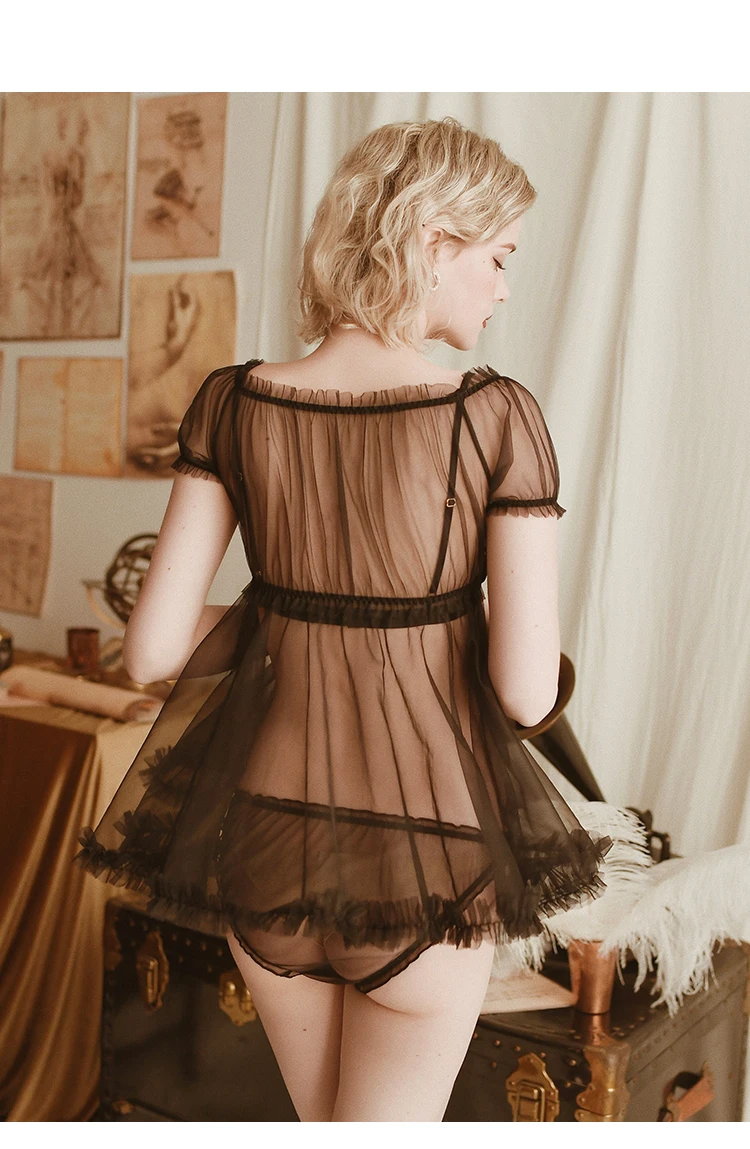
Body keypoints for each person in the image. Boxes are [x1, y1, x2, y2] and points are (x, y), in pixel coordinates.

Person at [75, 117, 612, 1122]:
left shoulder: (232, 403)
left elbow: (149, 653)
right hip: (427, 857)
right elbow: (524, 690)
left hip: (265, 845)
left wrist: (292, 613)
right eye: (498, 257)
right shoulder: (494, 415)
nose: (504, 287)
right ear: (433, 241)